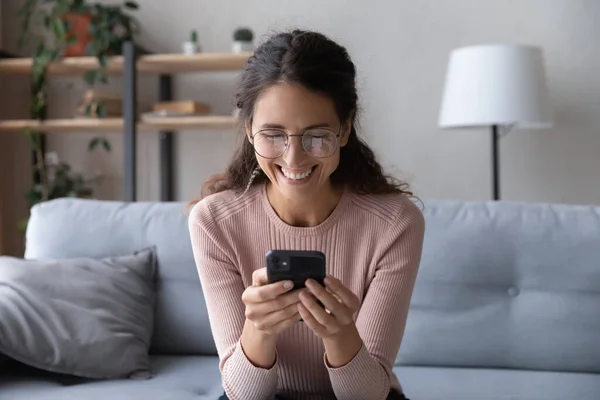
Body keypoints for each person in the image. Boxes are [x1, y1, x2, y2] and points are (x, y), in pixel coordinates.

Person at [188, 29, 425, 400]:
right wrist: (259, 330)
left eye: (317, 135)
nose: (294, 159)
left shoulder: (395, 223)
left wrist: (339, 333)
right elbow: (243, 395)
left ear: (345, 129)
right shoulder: (214, 221)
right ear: (249, 130)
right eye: (273, 134)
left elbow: (368, 395)